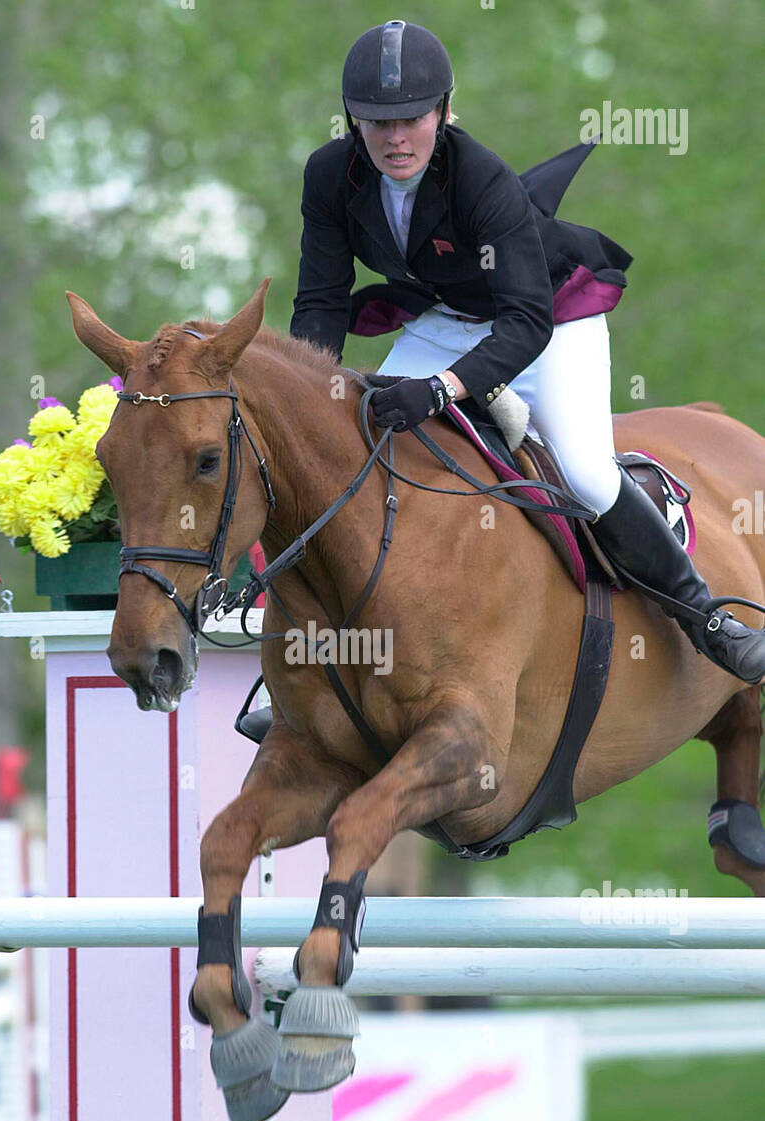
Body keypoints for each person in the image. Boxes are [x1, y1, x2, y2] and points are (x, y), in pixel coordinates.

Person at [290, 19, 765, 683]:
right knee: (352, 449)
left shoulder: (481, 180)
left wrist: (440, 389)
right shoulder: (328, 176)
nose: (396, 139)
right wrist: (304, 398)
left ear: (446, 111)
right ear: (352, 122)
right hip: (445, 318)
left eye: (413, 119)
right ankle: (325, 667)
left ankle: (706, 616)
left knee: (585, 474)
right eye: (376, 123)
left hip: (549, 320)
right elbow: (319, 300)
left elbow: (525, 320)